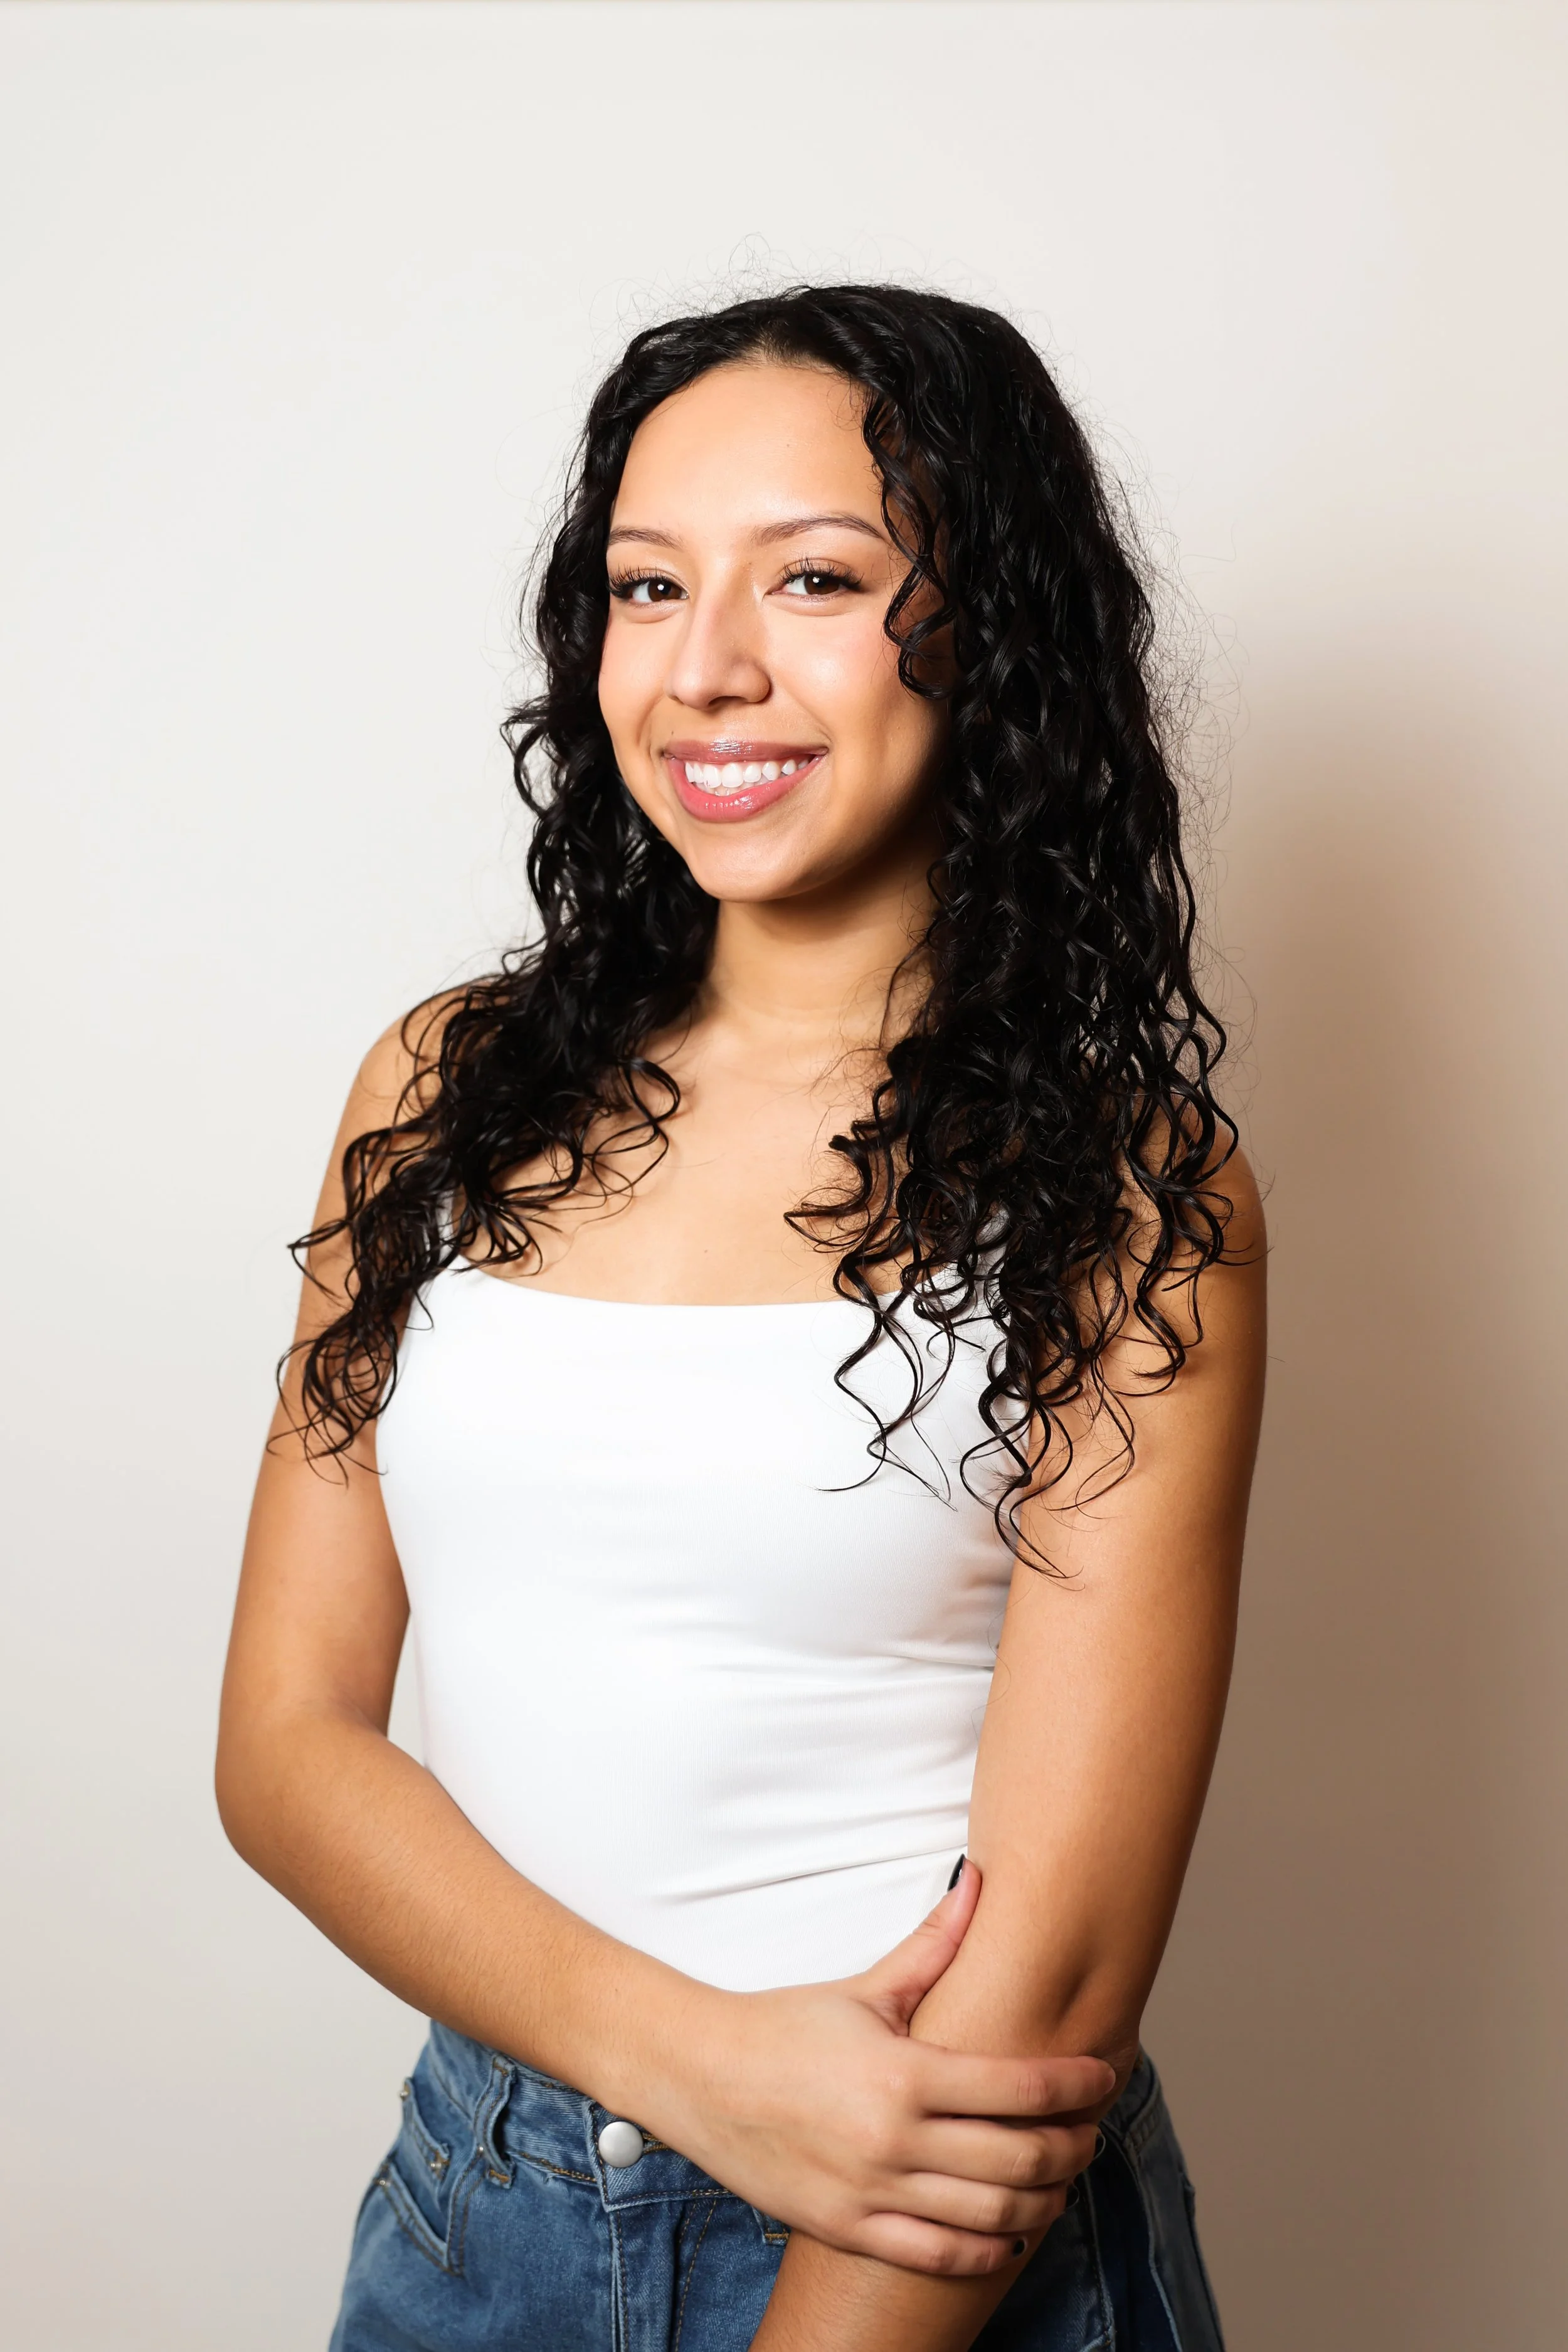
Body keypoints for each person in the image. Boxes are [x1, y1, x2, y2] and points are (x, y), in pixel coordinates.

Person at [217, 283, 1265, 2352]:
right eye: (644, 582)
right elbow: (286, 1741)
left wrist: (787, 2164)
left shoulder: (1132, 1192)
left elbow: (1046, 1988)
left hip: (934, 2246)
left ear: (989, 630)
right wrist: (695, 2059)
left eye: (814, 577)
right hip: (476, 2209)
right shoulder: (438, 1090)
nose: (706, 667)